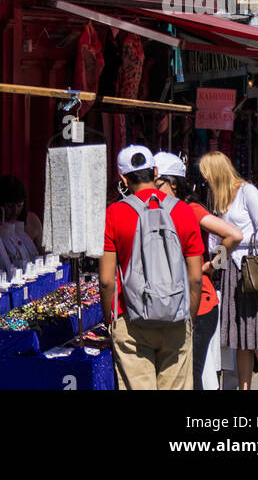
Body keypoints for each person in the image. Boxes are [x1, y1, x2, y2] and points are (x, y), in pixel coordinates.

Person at [99, 145, 203, 390]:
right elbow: (195, 278)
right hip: (176, 318)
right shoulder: (184, 212)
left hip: (131, 319)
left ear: (123, 178)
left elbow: (106, 280)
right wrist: (190, 318)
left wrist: (110, 320)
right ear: (155, 172)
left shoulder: (114, 213)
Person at [154, 151, 242, 390]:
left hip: (199, 306)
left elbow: (234, 235)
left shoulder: (190, 209)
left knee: (190, 376)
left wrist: (213, 265)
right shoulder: (160, 209)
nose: (152, 189)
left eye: (156, 183)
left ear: (173, 183)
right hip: (177, 305)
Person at [198, 151, 258, 391]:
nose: (205, 180)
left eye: (207, 175)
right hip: (233, 272)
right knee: (240, 337)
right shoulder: (220, 197)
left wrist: (234, 239)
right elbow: (220, 240)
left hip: (252, 272)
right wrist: (216, 261)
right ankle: (243, 388)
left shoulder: (247, 192)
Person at [0, 174, 44, 253]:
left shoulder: (32, 221)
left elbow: (43, 253)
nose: (15, 211)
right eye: (10, 206)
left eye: (19, 205)